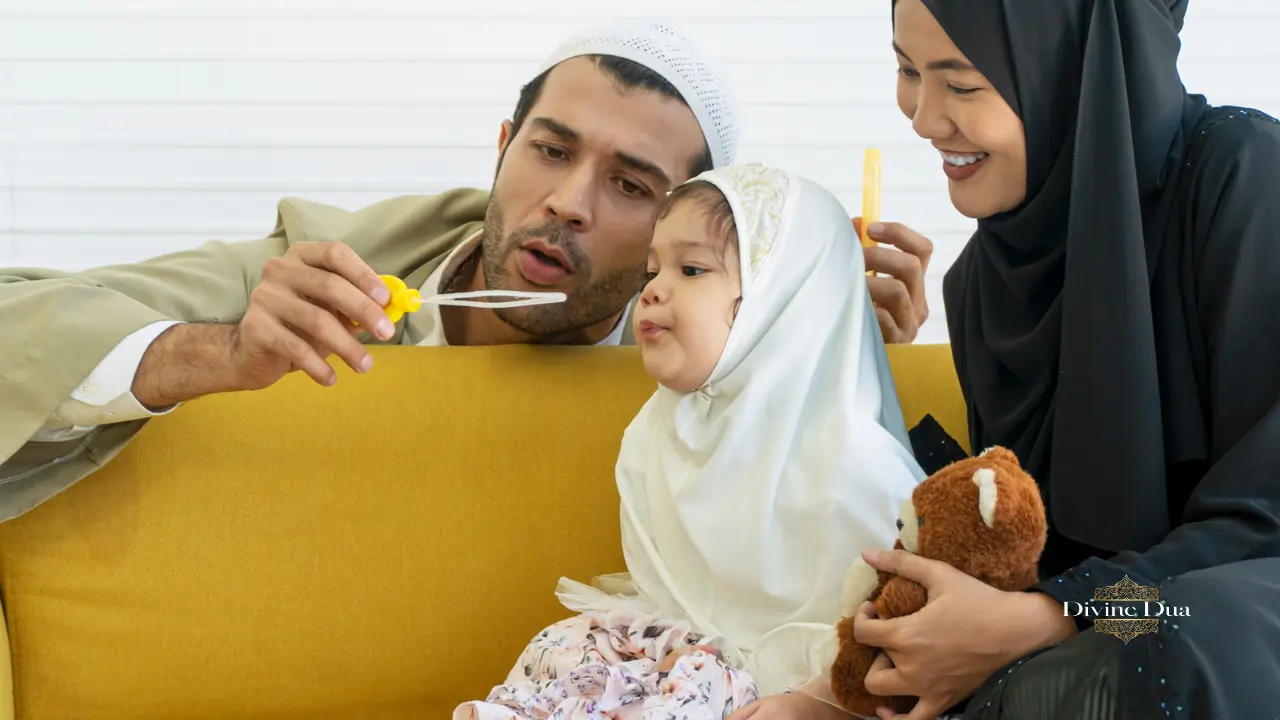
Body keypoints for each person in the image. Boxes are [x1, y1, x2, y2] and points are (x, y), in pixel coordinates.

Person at [0, 22, 933, 524]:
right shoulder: (325, 270)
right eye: (551, 150)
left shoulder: (716, 339)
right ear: (502, 147)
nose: (568, 202)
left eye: (629, 185)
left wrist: (846, 370)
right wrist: (211, 355)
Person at [813, 1, 1280, 719]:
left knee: (1183, 631)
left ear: (1074, 74)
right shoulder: (981, 287)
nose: (923, 118)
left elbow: (1267, 517)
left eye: (961, 83)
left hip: (1209, 611)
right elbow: (1020, 552)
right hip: (1098, 627)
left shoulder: (1245, 178)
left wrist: (1054, 615)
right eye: (907, 71)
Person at [452, 163, 925, 720]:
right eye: (653, 270)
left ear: (781, 303)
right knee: (562, 647)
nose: (652, 290)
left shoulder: (857, 464)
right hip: (691, 662)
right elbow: (667, 599)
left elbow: (902, 632)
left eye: (692, 269)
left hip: (813, 691)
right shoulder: (655, 430)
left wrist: (813, 701)